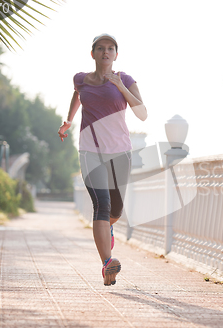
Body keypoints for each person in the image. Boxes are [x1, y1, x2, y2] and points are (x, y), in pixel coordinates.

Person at [58, 33, 147, 286]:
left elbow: (142, 113)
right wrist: (69, 120)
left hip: (120, 152)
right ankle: (107, 263)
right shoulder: (81, 79)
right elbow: (77, 93)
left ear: (115, 55)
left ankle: (108, 230)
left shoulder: (126, 79)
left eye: (110, 48)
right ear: (93, 53)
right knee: (102, 204)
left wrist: (119, 86)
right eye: (100, 48)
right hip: (90, 151)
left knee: (115, 210)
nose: (105, 52)